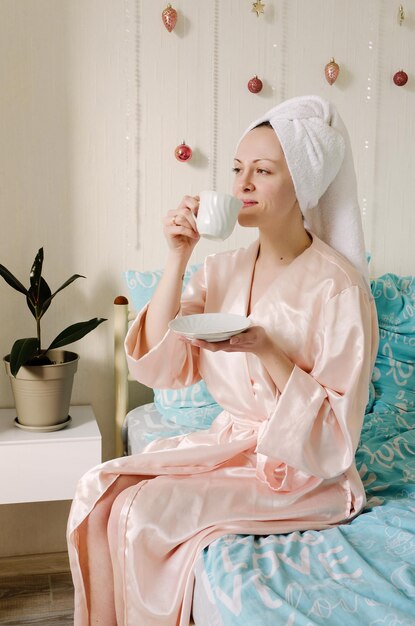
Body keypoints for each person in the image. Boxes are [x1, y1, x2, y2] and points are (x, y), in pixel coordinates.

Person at [67, 95, 379, 626]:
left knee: (142, 513)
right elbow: (162, 367)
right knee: (99, 494)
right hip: (230, 444)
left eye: (263, 171)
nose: (243, 185)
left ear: (302, 185)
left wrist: (267, 350)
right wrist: (177, 256)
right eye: (238, 169)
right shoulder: (222, 269)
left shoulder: (340, 287)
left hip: (305, 472)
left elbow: (333, 435)